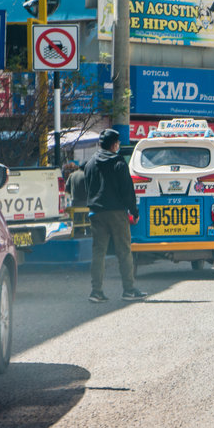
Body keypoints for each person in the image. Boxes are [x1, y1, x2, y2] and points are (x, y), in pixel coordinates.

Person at [84, 129, 147, 303]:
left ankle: (96, 291)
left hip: (96, 212)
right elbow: (127, 191)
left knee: (98, 252)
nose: (118, 146)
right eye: (118, 143)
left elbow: (87, 187)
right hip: (117, 213)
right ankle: (129, 290)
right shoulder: (119, 163)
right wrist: (134, 211)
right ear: (114, 145)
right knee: (124, 251)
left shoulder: (90, 163)